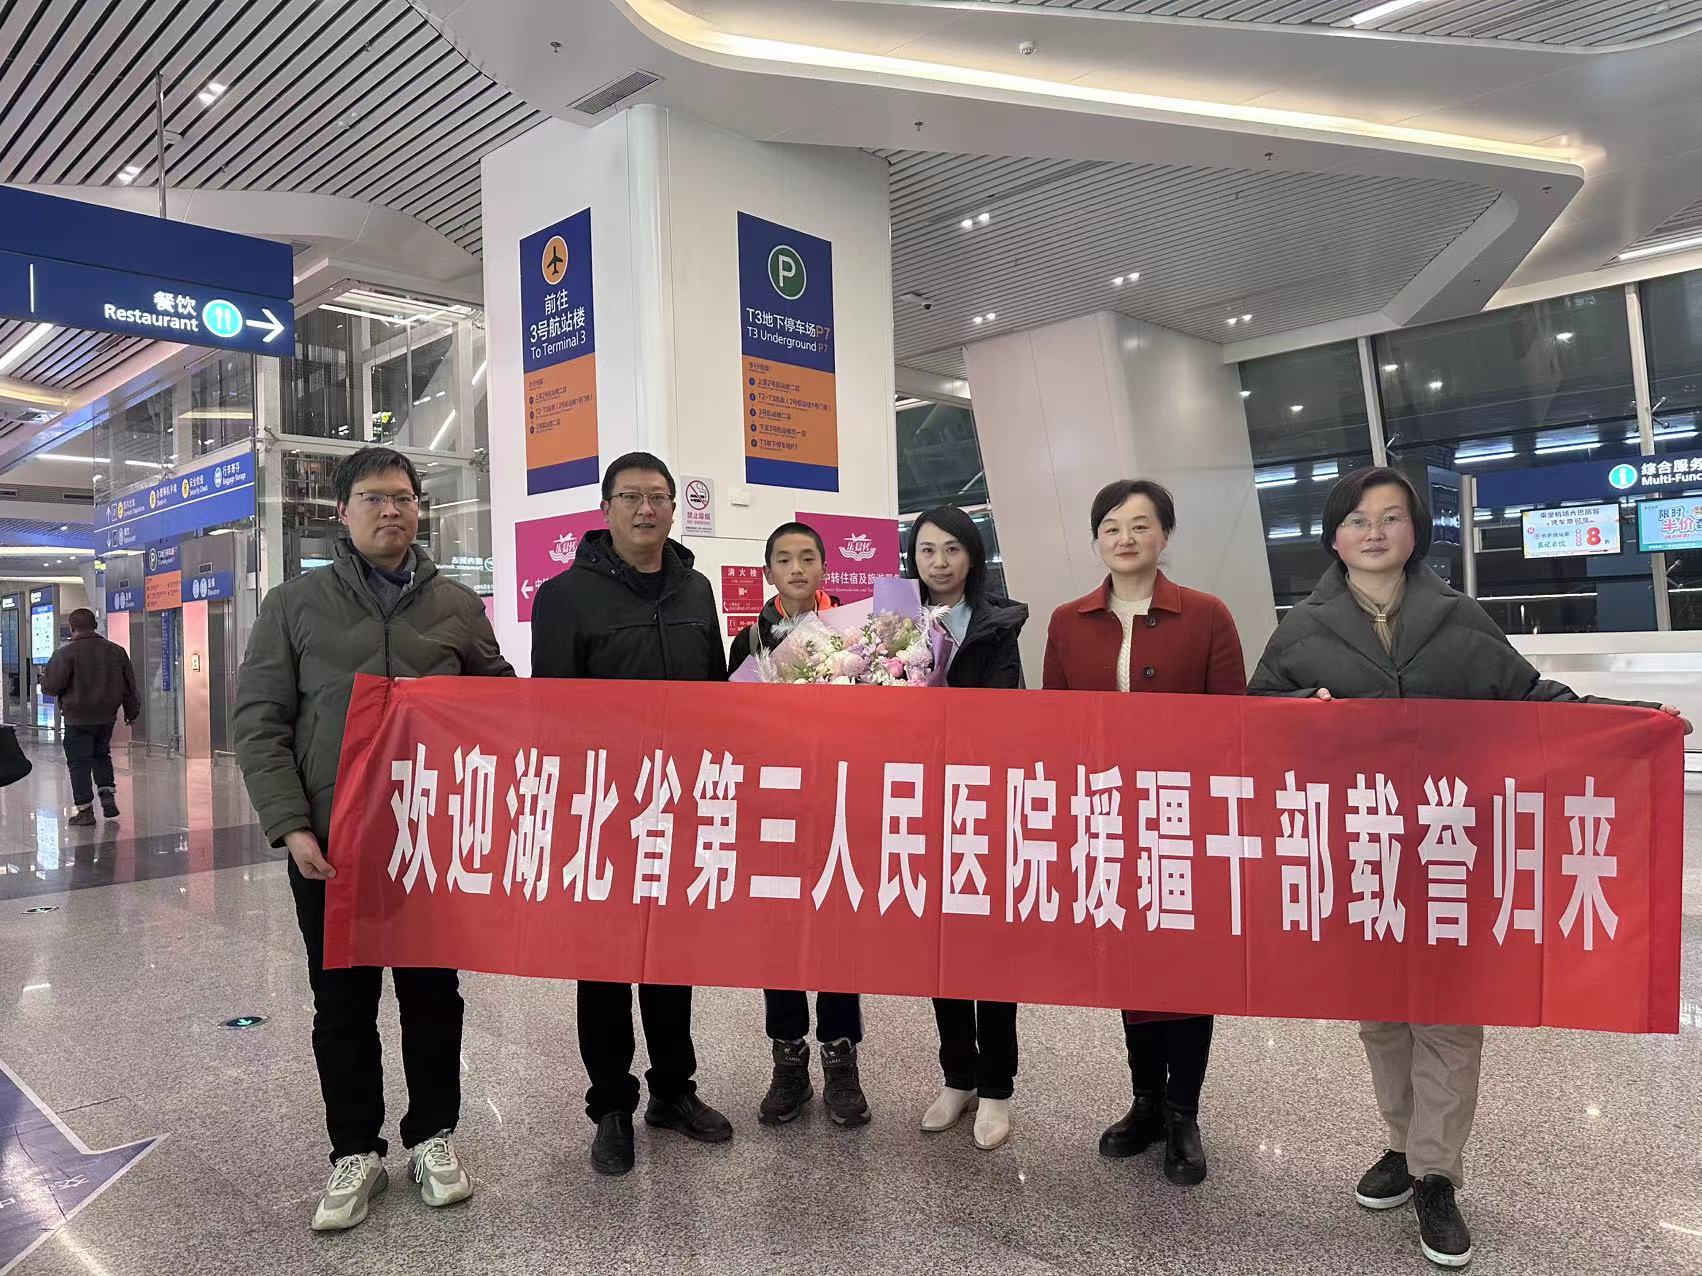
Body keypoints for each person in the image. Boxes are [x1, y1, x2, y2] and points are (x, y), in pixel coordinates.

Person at [1247, 464, 1690, 1270]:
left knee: (1448, 1015)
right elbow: (1252, 723)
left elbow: (1533, 702)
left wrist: (1635, 722)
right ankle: (1402, 1142)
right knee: (1382, 1012)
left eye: (1391, 517)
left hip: (1451, 847)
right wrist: (1294, 715)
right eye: (1357, 519)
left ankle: (1436, 1174)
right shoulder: (1300, 630)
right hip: (1363, 849)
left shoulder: (1458, 616)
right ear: (1334, 536)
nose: (1374, 532)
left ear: (1416, 531)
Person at [234, 446, 513, 1232]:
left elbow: (498, 704)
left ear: (419, 508)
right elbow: (259, 721)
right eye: (374, 498)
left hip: (428, 840)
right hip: (333, 846)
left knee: (433, 995)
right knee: (342, 1003)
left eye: (403, 498)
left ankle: (433, 1137)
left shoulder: (457, 604)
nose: (391, 511)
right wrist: (291, 824)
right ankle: (355, 1151)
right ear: (343, 512)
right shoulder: (294, 604)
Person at [530, 451, 734, 1176]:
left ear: (675, 508)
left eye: (658, 498)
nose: (646, 510)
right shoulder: (563, 597)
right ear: (606, 508)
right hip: (605, 811)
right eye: (631, 497)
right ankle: (611, 1106)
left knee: (672, 960)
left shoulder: (696, 589)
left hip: (680, 805)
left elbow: (715, 692)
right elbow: (552, 715)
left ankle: (673, 1090)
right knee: (606, 967)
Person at [1041, 479, 1244, 1187]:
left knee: (1186, 966)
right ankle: (1146, 1102)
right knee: (1129, 960)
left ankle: (1185, 1112)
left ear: (1165, 534)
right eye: (1110, 527)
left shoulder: (1208, 615)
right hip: (1107, 818)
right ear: (1096, 539)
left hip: (1186, 820)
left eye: (1139, 525)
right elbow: (1057, 728)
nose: (1124, 538)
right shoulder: (1067, 621)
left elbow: (1233, 727)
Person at [728, 522, 869, 1127]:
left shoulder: (858, 633)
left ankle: (840, 1058)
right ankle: (788, 1061)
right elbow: (732, 723)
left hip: (840, 803)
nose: (797, 568)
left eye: (807, 557)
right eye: (784, 559)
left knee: (837, 935)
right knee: (780, 937)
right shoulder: (747, 641)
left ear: (824, 567)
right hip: (774, 808)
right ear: (768, 572)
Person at [908, 505, 1028, 1151]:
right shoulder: (892, 624)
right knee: (940, 949)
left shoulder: (997, 624)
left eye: (952, 549)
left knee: (990, 949)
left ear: (973, 556)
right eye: (927, 549)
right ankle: (957, 1077)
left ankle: (997, 1086)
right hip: (920, 803)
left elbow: (1005, 717)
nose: (940, 562)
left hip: (983, 802)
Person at [39, 608, 139, 827]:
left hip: (77, 718)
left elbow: (51, 687)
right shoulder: (116, 651)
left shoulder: (65, 653)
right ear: (95, 625)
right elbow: (129, 685)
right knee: (101, 754)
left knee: (78, 763)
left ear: (72, 628)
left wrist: (45, 679)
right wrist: (131, 712)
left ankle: (85, 811)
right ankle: (106, 791)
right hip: (106, 716)